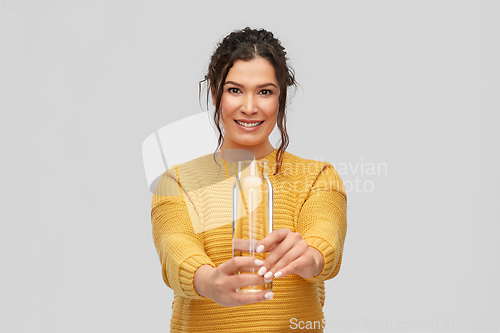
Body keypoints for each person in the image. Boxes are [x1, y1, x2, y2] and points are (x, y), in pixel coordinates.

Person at [151, 27, 347, 332]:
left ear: (281, 98)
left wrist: (309, 256)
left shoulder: (317, 177)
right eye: (235, 90)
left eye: (265, 91)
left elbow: (325, 236)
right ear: (216, 94)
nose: (250, 107)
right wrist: (210, 281)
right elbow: (176, 249)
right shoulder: (177, 180)